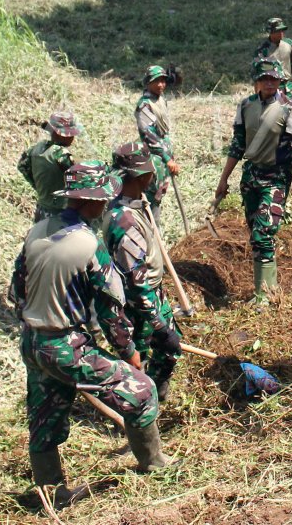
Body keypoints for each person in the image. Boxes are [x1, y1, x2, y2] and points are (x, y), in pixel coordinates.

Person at [10, 164, 170, 505]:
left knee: (44, 418)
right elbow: (112, 311)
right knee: (141, 392)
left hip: (32, 341)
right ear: (91, 201)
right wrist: (130, 354)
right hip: (65, 345)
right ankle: (156, 465)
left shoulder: (37, 231)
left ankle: (51, 493)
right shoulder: (87, 243)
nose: (105, 204)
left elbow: (17, 289)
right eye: (103, 198)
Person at [214, 59, 292, 303]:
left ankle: (266, 296)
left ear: (281, 82)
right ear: (257, 82)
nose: (270, 83)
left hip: (276, 178)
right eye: (265, 79)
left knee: (263, 233)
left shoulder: (290, 108)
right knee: (256, 234)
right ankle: (265, 289)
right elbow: (237, 145)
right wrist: (223, 179)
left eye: (274, 79)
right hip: (251, 177)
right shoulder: (246, 105)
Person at [105, 142, 182, 403]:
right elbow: (135, 283)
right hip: (139, 303)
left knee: (169, 349)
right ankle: (139, 408)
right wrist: (158, 323)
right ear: (142, 176)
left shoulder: (136, 204)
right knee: (141, 358)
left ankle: (156, 394)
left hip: (151, 294)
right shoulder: (124, 220)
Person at [135, 66, 180, 224]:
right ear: (148, 83)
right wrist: (167, 158)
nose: (161, 85)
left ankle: (155, 228)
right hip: (154, 159)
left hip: (164, 159)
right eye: (156, 81)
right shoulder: (145, 105)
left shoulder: (160, 100)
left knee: (159, 195)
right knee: (151, 198)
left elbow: (163, 133)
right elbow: (150, 136)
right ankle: (151, 231)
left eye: (163, 81)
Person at [18, 111, 81, 222]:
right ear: (60, 134)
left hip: (42, 209)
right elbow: (79, 180)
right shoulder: (61, 154)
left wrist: (39, 186)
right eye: (70, 134)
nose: (72, 137)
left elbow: (22, 166)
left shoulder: (37, 148)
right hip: (59, 212)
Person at [254, 16, 292, 92]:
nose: (281, 33)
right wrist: (258, 95)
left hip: (289, 87)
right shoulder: (263, 49)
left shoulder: (289, 43)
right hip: (271, 89)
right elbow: (257, 73)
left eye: (282, 30)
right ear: (271, 32)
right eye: (278, 31)